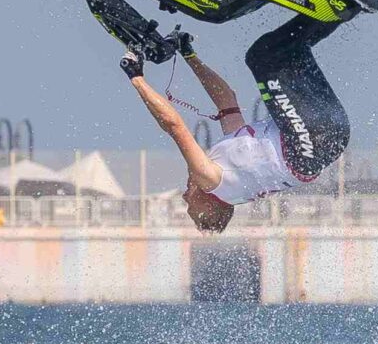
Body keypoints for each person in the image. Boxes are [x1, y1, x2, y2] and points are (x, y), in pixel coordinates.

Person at [122, 14, 350, 232]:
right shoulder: (210, 180)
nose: (184, 198)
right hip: (307, 143)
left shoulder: (233, 170)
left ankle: (343, 5)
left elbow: (226, 100)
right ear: (210, 205)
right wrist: (137, 78)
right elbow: (174, 126)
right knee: (262, 56)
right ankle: (333, 8)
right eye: (190, 207)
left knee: (287, 53)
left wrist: (189, 55)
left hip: (329, 138)